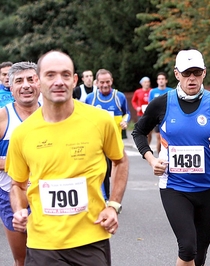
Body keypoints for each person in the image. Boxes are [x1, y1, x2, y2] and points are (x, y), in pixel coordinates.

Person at [6, 50, 129, 266]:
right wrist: (18, 211)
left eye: (65, 75)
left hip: (91, 237)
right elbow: (16, 184)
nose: (58, 82)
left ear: (74, 81)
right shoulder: (22, 133)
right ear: (38, 80)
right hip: (43, 242)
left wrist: (113, 205)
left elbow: (120, 161)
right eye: (50, 75)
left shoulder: (99, 121)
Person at [132, 49, 210, 266]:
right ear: (177, 74)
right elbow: (138, 132)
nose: (191, 78)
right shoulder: (162, 103)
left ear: (204, 73)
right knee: (187, 248)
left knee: (200, 255)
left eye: (196, 72)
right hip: (174, 187)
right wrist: (151, 160)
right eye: (186, 73)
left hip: (208, 187)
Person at [0, 62, 41, 266]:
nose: (26, 85)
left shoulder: (52, 115)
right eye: (19, 81)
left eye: (31, 79)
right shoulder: (3, 117)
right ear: (10, 86)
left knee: (50, 256)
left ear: (39, 84)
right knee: (22, 259)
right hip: (11, 194)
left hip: (47, 196)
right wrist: (16, 162)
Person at [85, 68, 131, 200]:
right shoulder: (91, 99)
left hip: (115, 140)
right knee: (102, 169)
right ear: (97, 83)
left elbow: (127, 112)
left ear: (112, 81)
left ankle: (113, 197)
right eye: (102, 82)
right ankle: (105, 198)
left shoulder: (119, 97)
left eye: (107, 82)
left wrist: (125, 120)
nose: (105, 85)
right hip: (98, 141)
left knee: (115, 170)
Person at [148, 72, 173, 154]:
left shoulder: (171, 91)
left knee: (167, 138)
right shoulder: (153, 92)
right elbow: (150, 105)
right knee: (159, 138)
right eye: (159, 79)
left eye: (162, 79)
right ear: (157, 81)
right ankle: (160, 155)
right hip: (157, 118)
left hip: (168, 118)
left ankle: (168, 154)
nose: (161, 81)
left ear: (166, 81)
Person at [131, 76, 152, 143]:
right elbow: (133, 101)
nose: (147, 83)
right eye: (145, 82)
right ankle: (144, 145)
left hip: (150, 114)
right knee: (142, 130)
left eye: (148, 82)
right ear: (142, 83)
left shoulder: (152, 91)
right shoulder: (138, 92)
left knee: (149, 132)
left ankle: (148, 145)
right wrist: (137, 107)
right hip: (141, 114)